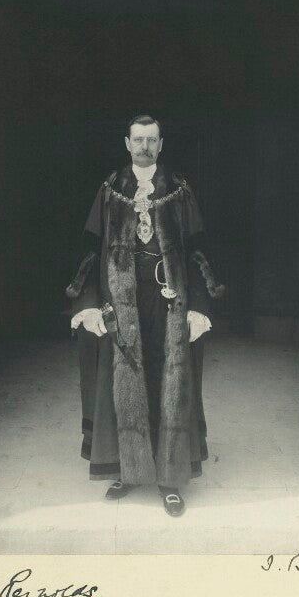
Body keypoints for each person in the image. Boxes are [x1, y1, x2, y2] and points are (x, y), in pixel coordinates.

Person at [65, 115, 224, 516]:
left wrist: (199, 307)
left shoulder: (179, 191)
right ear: (127, 143)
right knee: (123, 386)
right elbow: (89, 248)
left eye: (151, 140)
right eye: (138, 140)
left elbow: (199, 250)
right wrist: (88, 301)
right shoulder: (109, 191)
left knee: (169, 384)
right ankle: (128, 470)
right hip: (121, 301)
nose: (144, 147)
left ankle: (169, 480)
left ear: (161, 144)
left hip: (169, 301)